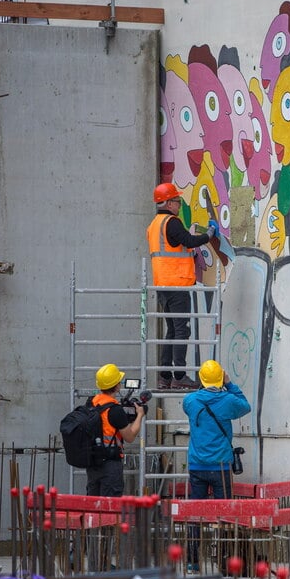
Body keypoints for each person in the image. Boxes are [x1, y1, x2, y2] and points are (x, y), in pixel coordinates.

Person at [147, 183, 219, 390]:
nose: (179, 205)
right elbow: (189, 240)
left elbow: (175, 247)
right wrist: (210, 234)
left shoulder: (154, 225)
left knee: (171, 331)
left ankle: (165, 377)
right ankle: (179, 375)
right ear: (168, 203)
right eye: (177, 202)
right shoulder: (172, 222)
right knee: (181, 331)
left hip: (163, 284)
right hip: (177, 283)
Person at [182, 360, 251, 499]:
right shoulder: (228, 400)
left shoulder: (190, 400)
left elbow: (192, 405)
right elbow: (246, 406)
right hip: (221, 464)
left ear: (201, 378)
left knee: (199, 511)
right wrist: (229, 384)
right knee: (223, 511)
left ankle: (199, 521)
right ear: (221, 377)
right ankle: (222, 522)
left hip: (197, 464)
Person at [86, 363, 145, 497]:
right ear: (117, 386)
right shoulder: (115, 410)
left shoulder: (91, 403)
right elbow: (129, 437)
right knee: (109, 507)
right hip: (110, 463)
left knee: (92, 504)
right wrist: (140, 415)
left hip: (93, 462)